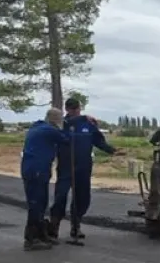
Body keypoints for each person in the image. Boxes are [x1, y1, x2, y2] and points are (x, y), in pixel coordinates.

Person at [48, 98, 123, 241]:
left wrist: (112, 151)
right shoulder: (62, 125)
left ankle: (75, 226)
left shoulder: (88, 125)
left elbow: (99, 141)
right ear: (67, 109)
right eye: (71, 109)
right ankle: (54, 227)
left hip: (83, 167)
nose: (75, 111)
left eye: (76, 108)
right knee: (60, 196)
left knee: (82, 198)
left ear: (79, 108)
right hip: (65, 167)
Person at [20, 108, 70, 250]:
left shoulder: (37, 127)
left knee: (41, 202)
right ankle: (31, 239)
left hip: (34, 168)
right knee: (36, 203)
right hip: (37, 169)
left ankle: (41, 234)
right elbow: (66, 139)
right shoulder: (49, 130)